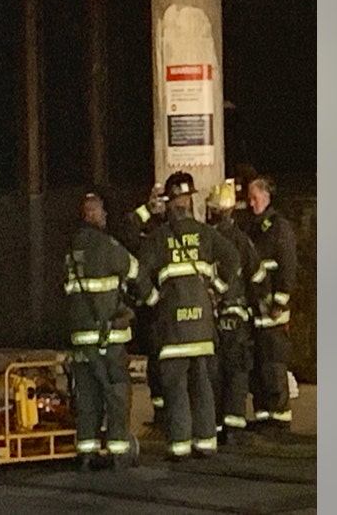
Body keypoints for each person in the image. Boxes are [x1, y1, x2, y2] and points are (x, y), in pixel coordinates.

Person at [134, 171, 245, 461]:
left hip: (172, 329)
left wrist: (155, 301)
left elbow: (139, 277)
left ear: (169, 204)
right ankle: (206, 443)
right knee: (203, 387)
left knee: (176, 389)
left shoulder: (158, 239)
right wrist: (219, 289)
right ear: (189, 201)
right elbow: (233, 258)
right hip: (202, 329)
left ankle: (180, 447)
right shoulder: (207, 234)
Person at [64, 193, 138, 472]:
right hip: (110, 338)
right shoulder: (110, 247)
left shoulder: (72, 251)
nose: (106, 218)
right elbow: (135, 272)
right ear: (96, 215)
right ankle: (118, 452)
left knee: (87, 396)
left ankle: (86, 451)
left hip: (81, 339)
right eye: (103, 213)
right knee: (116, 392)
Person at [205, 179, 267, 443]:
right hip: (237, 316)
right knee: (238, 372)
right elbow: (258, 275)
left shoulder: (205, 238)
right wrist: (261, 305)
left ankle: (217, 426)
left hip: (211, 318)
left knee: (215, 372)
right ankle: (234, 427)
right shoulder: (242, 241)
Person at [243, 176, 298, 433]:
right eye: (250, 198)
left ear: (267, 197)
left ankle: (280, 417)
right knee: (259, 366)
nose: (251, 202)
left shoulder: (279, 227)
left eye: (255, 198)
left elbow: (287, 266)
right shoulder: (252, 227)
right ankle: (264, 414)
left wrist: (280, 300)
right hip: (256, 310)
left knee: (274, 365)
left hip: (273, 311)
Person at [119, 182, 167, 426]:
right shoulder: (146, 230)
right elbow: (126, 231)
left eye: (163, 199)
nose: (160, 203)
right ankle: (161, 411)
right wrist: (147, 210)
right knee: (157, 360)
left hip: (167, 306)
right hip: (154, 308)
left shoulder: (171, 230)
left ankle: (169, 410)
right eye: (156, 199)